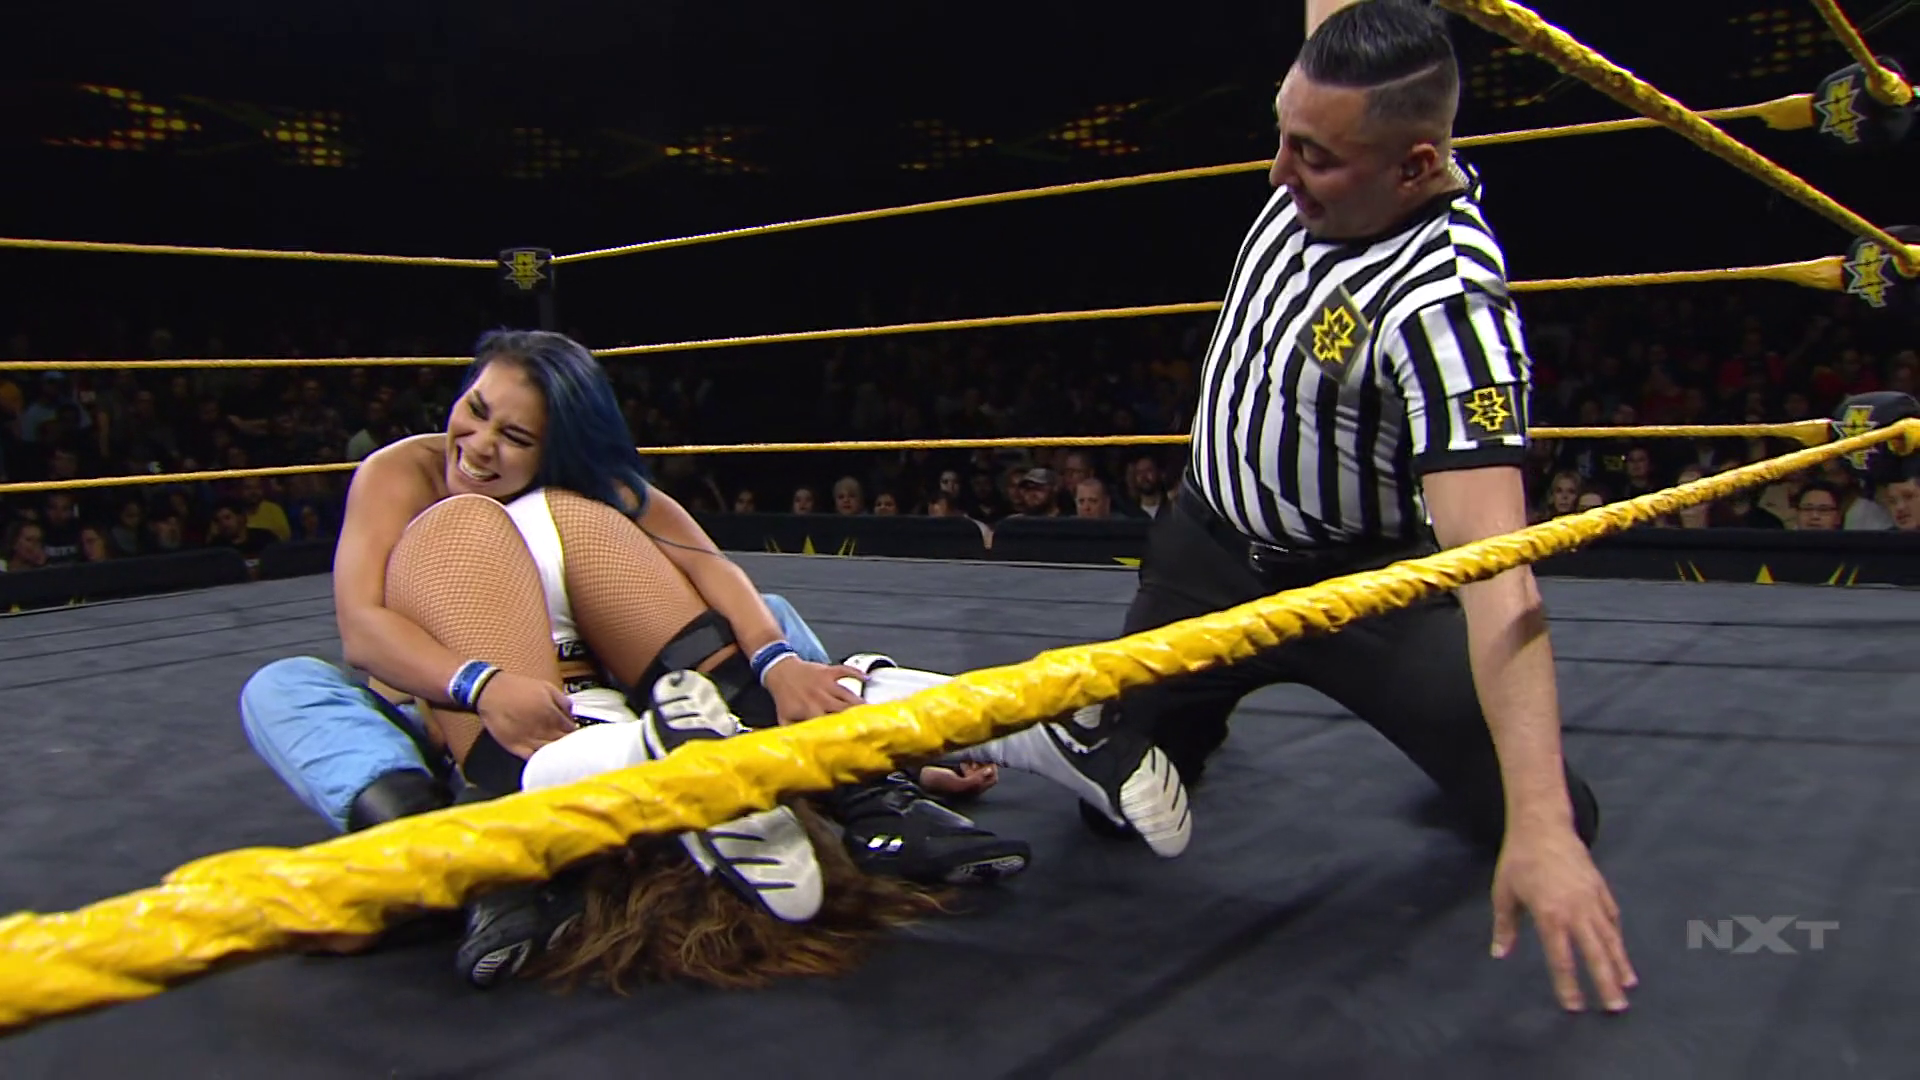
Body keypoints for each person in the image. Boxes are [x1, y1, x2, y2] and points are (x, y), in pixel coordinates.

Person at [239, 329, 1189, 989]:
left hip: (597, 701)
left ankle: (872, 779)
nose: (477, 445)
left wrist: (773, 661)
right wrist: (476, 682)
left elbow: (710, 566)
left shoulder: (579, 500)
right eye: (475, 410)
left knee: (768, 617)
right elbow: (364, 630)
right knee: (288, 687)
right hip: (455, 702)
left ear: (556, 449)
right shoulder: (404, 474)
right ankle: (426, 846)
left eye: (513, 436)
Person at [1057, 0, 1635, 1014]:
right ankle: (1193, 718)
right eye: (1283, 135)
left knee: (1547, 817)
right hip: (1203, 557)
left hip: (1358, 593)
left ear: (1414, 166)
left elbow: (1498, 566)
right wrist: (1314, 146)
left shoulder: (1449, 309)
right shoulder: (1337, 138)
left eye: (1313, 157)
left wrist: (1540, 827)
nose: (1277, 174)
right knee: (1117, 810)